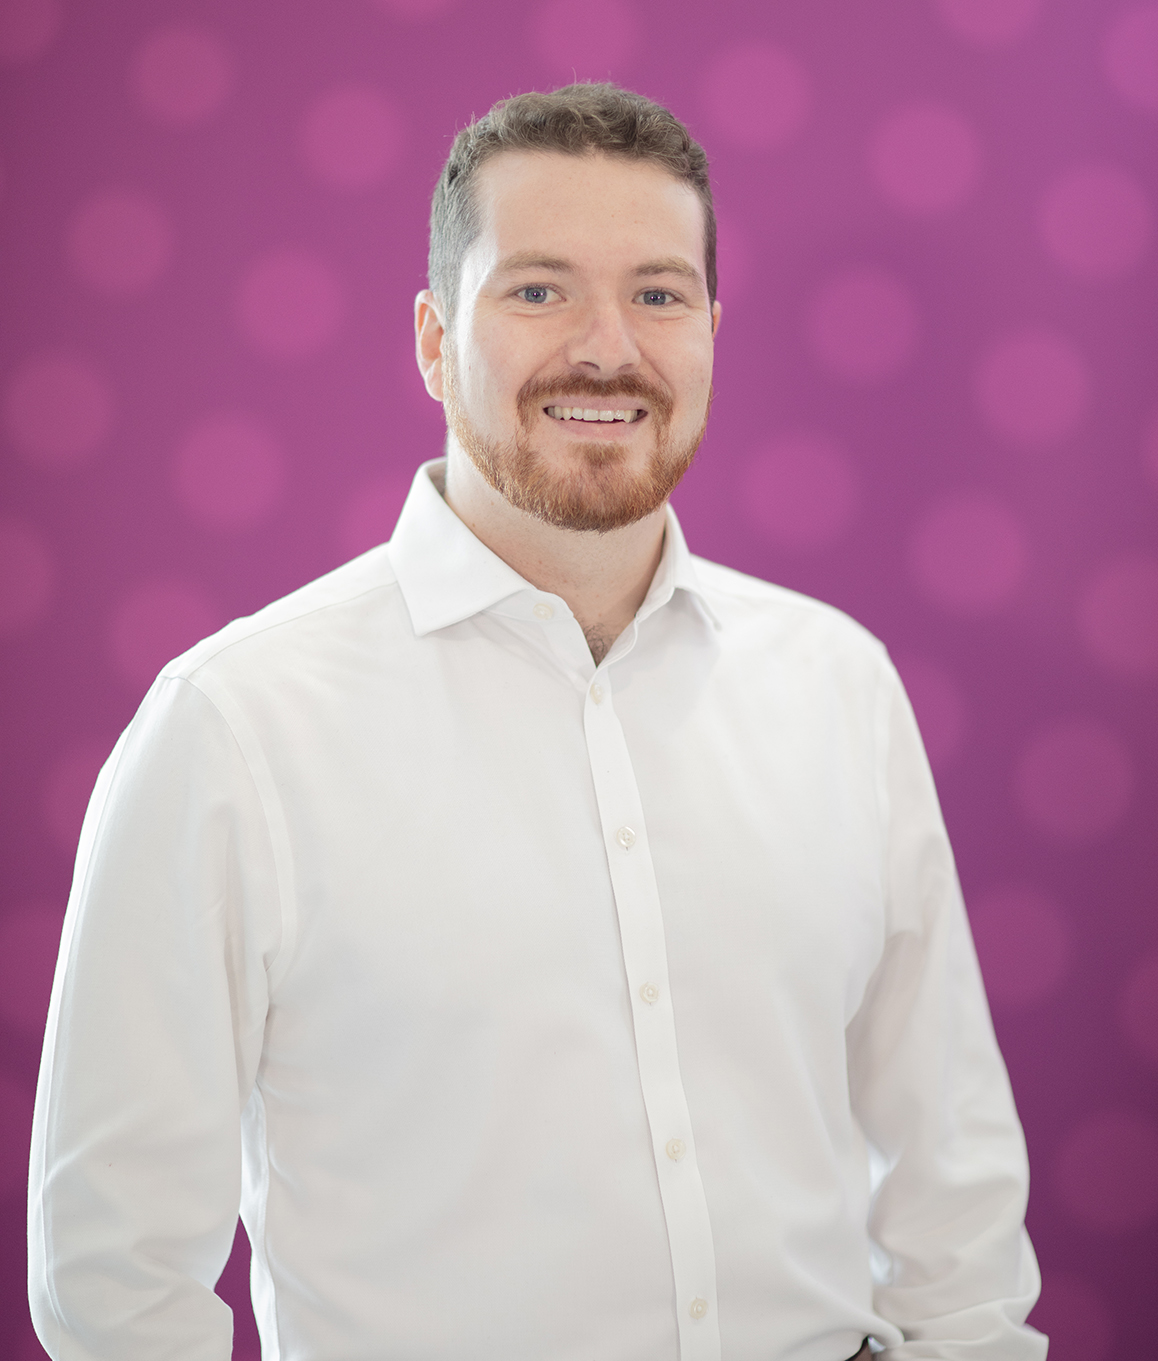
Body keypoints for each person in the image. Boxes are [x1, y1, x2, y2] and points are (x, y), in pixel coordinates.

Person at [29, 83, 1046, 1361]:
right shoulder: (234, 727)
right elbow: (115, 1269)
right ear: (433, 340)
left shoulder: (840, 684)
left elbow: (952, 1176)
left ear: (713, 332)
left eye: (659, 294)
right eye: (539, 289)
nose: (608, 349)